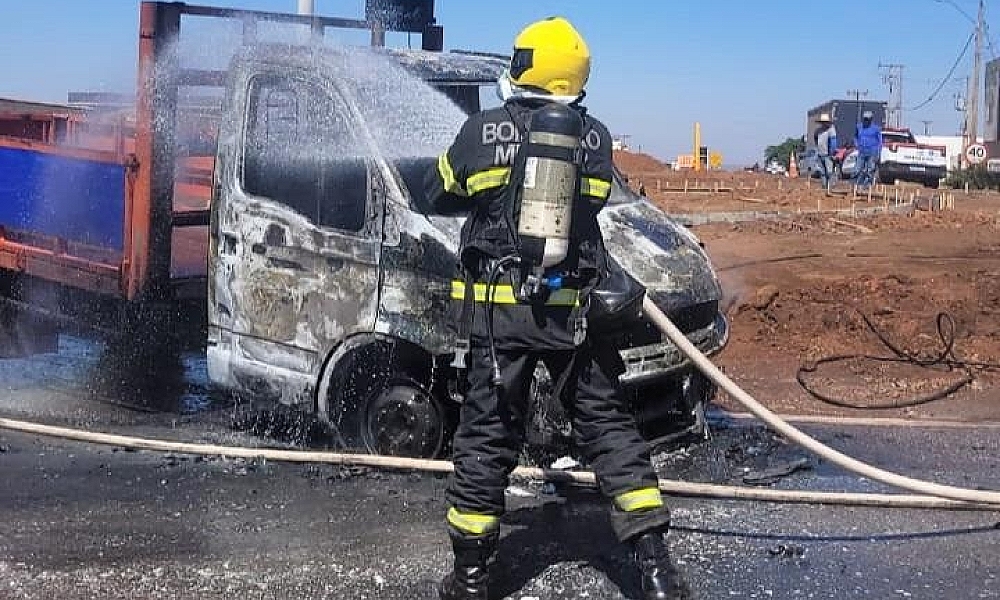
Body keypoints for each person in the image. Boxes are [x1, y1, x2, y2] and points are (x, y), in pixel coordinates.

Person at [425, 16, 675, 600]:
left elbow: (438, 194)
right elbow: (592, 207)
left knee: (487, 436)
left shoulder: (482, 130)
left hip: (498, 318)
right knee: (610, 430)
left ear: (525, 67)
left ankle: (471, 579)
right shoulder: (595, 139)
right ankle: (657, 570)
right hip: (573, 317)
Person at [854, 110, 883, 189]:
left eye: (868, 119)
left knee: (870, 170)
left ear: (871, 119)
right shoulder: (859, 126)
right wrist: (856, 144)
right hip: (862, 152)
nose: (866, 120)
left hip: (872, 152)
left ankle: (866, 186)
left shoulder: (876, 129)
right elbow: (855, 136)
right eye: (865, 119)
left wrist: (878, 152)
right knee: (857, 169)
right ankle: (856, 185)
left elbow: (880, 141)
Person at [814, 112, 838, 190]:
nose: (824, 124)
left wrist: (832, 153)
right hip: (820, 153)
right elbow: (816, 138)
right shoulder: (818, 131)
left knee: (829, 172)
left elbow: (833, 142)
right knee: (822, 172)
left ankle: (830, 187)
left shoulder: (831, 130)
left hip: (828, 154)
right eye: (823, 122)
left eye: (825, 122)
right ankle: (824, 186)